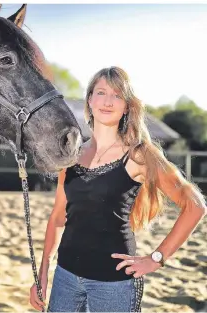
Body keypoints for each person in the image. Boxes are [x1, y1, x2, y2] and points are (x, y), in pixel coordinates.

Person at [29, 66, 206, 312]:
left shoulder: (139, 154)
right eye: (101, 92)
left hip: (114, 283)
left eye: (117, 95)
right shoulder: (72, 153)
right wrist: (45, 269)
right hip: (65, 276)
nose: (108, 101)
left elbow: (195, 206)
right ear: (89, 99)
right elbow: (59, 215)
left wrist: (156, 258)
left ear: (127, 106)